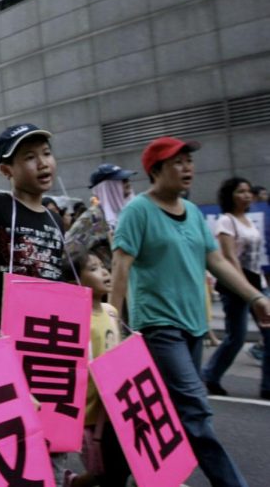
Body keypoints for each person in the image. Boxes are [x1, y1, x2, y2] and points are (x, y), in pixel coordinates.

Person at [110, 137, 270, 486]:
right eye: (177, 162)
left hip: (194, 326)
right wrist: (114, 326)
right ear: (156, 170)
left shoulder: (194, 212)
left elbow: (216, 261)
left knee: (168, 408)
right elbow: (121, 268)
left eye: (189, 162)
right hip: (158, 325)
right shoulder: (138, 211)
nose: (188, 168)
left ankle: (133, 472)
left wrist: (255, 297)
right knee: (195, 410)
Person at [0, 123, 64, 326]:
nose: (42, 163)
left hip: (44, 330)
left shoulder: (55, 220)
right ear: (6, 170)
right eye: (30, 157)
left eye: (46, 153)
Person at [62, 249, 131, 487]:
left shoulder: (112, 312)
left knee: (119, 467)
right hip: (90, 412)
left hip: (116, 406)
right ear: (75, 283)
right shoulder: (76, 319)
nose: (104, 272)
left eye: (103, 266)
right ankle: (73, 483)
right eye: (93, 269)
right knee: (101, 472)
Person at [202, 177, 269, 399]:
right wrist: (246, 289)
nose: (247, 195)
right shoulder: (226, 221)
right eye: (241, 191)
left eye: (249, 191)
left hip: (256, 281)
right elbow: (229, 257)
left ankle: (267, 385)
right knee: (236, 337)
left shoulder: (249, 221)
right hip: (235, 285)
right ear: (230, 195)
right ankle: (210, 375)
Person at [66, 163, 136, 265]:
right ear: (107, 187)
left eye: (127, 179)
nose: (128, 182)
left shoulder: (129, 213)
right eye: (122, 180)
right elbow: (69, 254)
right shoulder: (93, 218)